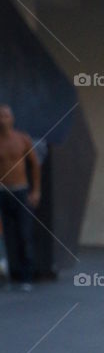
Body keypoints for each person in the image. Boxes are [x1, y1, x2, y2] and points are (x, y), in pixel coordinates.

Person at [0, 103, 41, 292]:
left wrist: (35, 191)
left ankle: (27, 276)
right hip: (2, 192)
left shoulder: (22, 139)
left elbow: (35, 165)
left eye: (6, 116)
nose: (3, 119)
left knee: (24, 234)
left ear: (12, 119)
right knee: (2, 236)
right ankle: (5, 274)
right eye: (1, 116)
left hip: (21, 191)